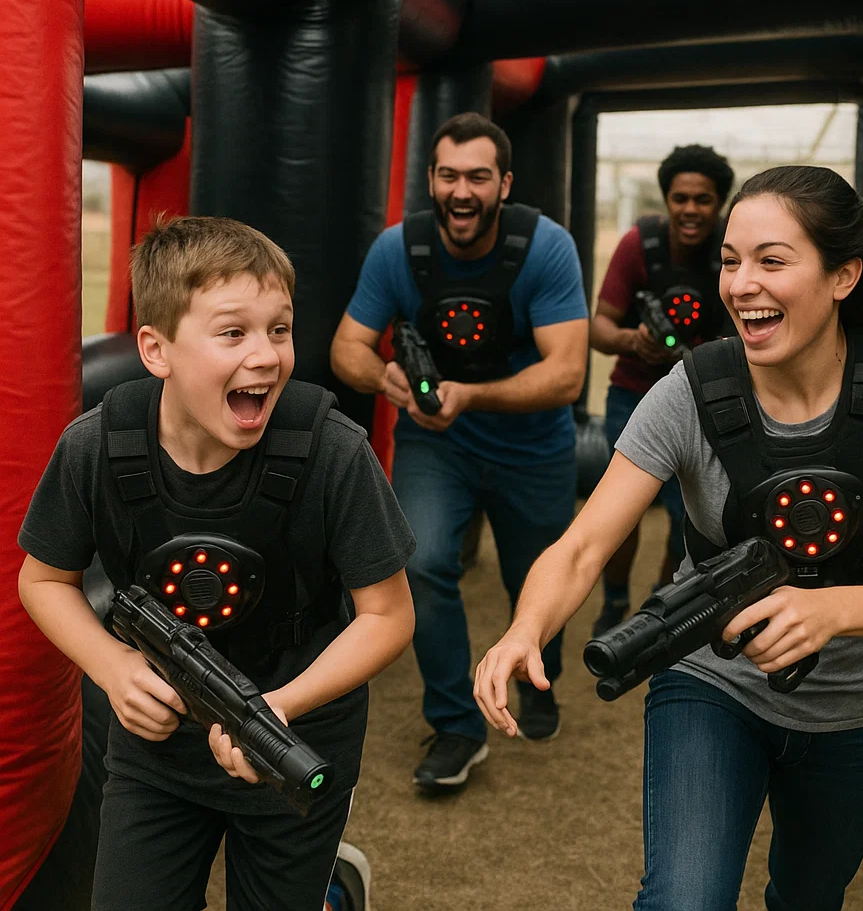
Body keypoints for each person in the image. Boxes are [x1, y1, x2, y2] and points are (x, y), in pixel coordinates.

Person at [475, 165, 863, 910]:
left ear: (843, 276)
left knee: (806, 898)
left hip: (854, 711)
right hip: (710, 685)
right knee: (683, 900)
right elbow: (582, 546)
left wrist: (830, 610)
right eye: (730, 261)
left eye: (772, 260)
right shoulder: (691, 391)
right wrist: (525, 629)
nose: (740, 283)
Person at [18, 216, 416, 911]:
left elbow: (387, 615)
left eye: (280, 329)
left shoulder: (333, 452)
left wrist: (280, 708)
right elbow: (43, 580)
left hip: (295, 742)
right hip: (156, 753)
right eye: (233, 333)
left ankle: (334, 889)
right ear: (155, 348)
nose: (265, 356)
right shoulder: (95, 447)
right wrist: (114, 669)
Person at [332, 112, 588, 792]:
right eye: (449, 175)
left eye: (479, 176)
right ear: (432, 180)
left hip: (534, 446)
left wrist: (469, 396)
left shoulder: (547, 247)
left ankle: (538, 675)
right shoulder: (399, 248)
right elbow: (345, 347)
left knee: (536, 576)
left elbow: (568, 374)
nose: (462, 190)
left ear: (504, 183)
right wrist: (387, 380)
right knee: (418, 562)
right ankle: (455, 724)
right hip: (433, 442)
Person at [590, 144, 734, 636]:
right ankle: (613, 602)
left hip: (704, 402)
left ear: (719, 203)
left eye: (703, 199)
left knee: (689, 514)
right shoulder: (639, 245)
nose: (690, 209)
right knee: (618, 516)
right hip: (633, 392)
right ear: (666, 198)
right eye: (681, 198)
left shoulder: (732, 248)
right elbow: (599, 328)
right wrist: (635, 340)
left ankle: (660, 606)